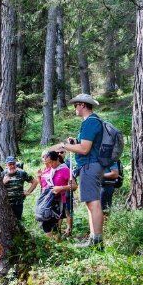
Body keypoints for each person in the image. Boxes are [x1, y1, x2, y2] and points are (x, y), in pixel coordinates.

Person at [53, 93, 106, 248]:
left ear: (83, 105)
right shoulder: (92, 121)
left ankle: (97, 241)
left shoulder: (90, 122)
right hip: (90, 165)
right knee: (91, 203)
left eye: (75, 105)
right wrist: (74, 142)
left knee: (94, 203)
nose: (74, 107)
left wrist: (64, 146)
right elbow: (85, 145)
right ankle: (94, 238)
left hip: (90, 165)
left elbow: (84, 149)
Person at [36, 150, 71, 235]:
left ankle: (55, 244)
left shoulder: (65, 170)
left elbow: (74, 186)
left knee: (53, 225)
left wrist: (61, 188)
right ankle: (53, 244)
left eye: (51, 162)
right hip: (47, 201)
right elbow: (43, 184)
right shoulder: (50, 170)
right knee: (46, 224)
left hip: (58, 201)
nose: (50, 165)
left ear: (57, 159)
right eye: (48, 163)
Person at [2, 156, 34, 222]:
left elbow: (35, 182)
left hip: (18, 203)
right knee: (7, 221)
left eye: (13, 164)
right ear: (6, 165)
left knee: (18, 220)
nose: (12, 166)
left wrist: (28, 191)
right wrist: (3, 182)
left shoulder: (22, 173)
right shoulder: (3, 174)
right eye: (10, 164)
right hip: (6, 203)